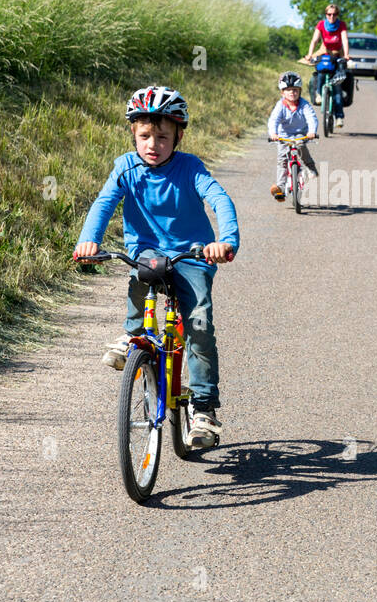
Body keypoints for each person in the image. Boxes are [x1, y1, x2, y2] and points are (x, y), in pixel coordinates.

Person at [72, 85, 237, 449]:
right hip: (147, 252)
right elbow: (103, 203)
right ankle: (133, 336)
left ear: (178, 135)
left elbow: (219, 199)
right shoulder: (125, 167)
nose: (153, 144)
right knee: (139, 279)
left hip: (192, 255)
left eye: (162, 136)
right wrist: (89, 241)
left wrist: (225, 241)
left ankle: (204, 406)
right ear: (133, 133)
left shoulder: (190, 168)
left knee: (199, 325)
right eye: (145, 135)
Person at [267, 71, 319, 201]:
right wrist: (273, 133)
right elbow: (274, 120)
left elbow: (312, 118)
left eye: (295, 90)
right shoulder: (280, 106)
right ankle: (280, 188)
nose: (292, 93)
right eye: (288, 90)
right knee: (282, 160)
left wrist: (312, 131)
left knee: (301, 145)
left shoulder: (304, 105)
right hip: (283, 136)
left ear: (300, 91)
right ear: (282, 92)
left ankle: (310, 167)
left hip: (300, 133)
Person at [301, 3, 352, 127]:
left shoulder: (342, 25)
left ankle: (339, 118)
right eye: (329, 14)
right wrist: (309, 54)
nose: (331, 17)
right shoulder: (321, 24)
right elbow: (314, 40)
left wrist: (346, 54)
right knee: (321, 72)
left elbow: (344, 40)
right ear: (326, 14)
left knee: (337, 88)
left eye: (334, 14)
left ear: (337, 15)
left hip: (338, 54)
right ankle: (318, 93)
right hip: (325, 52)